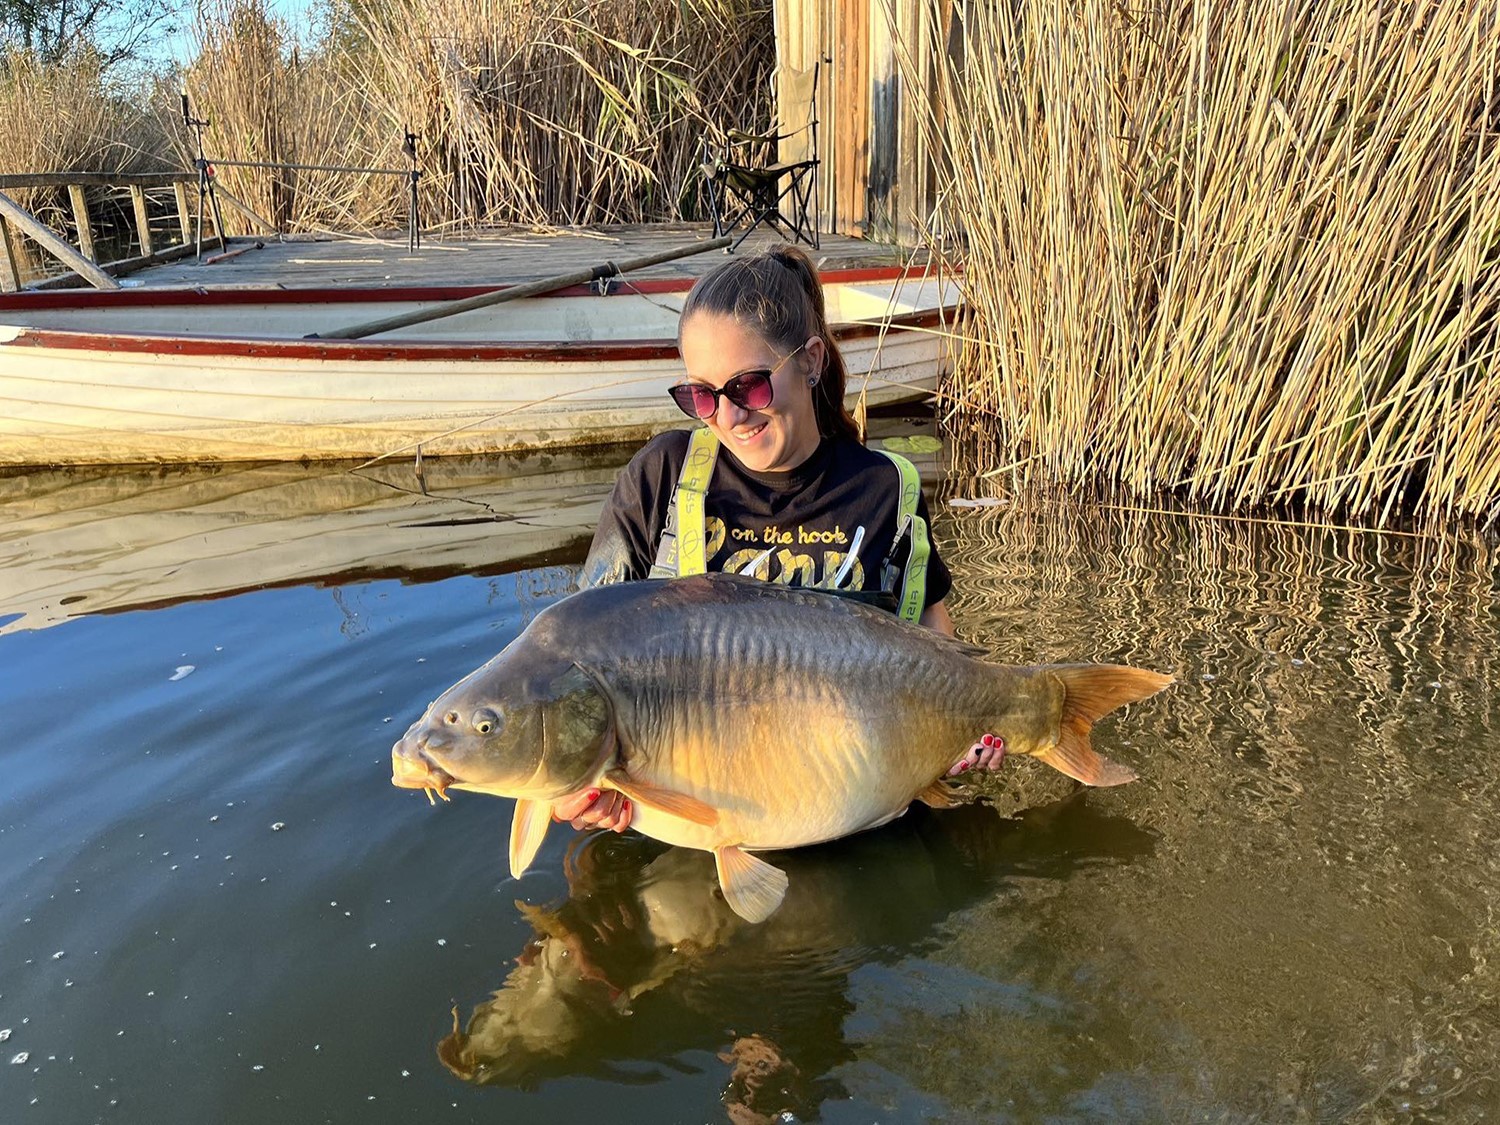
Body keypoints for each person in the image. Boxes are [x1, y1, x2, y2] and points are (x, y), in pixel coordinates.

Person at [555, 245, 1004, 832]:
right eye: (702, 396)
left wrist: (968, 723)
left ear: (810, 361)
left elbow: (930, 629)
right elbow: (575, 658)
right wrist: (573, 786)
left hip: (858, 817)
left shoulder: (885, 488)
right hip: (689, 825)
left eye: (749, 387)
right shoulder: (661, 477)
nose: (729, 417)